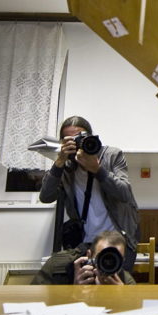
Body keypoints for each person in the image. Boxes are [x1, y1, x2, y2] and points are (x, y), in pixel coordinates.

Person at [40, 116, 140, 270]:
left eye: (80, 137)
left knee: (116, 289)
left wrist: (98, 170)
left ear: (90, 137)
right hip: (86, 243)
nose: (77, 142)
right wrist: (59, 162)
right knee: (81, 288)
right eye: (70, 140)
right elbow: (46, 197)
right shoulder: (66, 167)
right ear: (62, 143)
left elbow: (124, 193)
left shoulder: (112, 155)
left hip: (119, 241)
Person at [30, 230, 136, 285]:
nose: (107, 263)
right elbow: (34, 303)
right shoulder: (59, 267)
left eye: (114, 259)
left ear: (121, 262)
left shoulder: (124, 280)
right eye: (102, 258)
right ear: (89, 255)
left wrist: (121, 296)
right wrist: (75, 292)